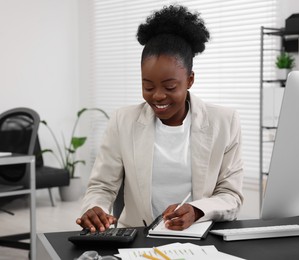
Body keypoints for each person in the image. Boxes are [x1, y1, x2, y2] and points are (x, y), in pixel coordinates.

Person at [76, 4, 244, 232]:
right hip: (137, 237)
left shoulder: (224, 122)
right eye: (148, 86)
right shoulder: (123, 121)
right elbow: (102, 186)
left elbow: (230, 194)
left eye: (170, 86)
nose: (157, 96)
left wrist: (196, 210)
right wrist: (96, 208)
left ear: (190, 80)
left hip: (200, 236)